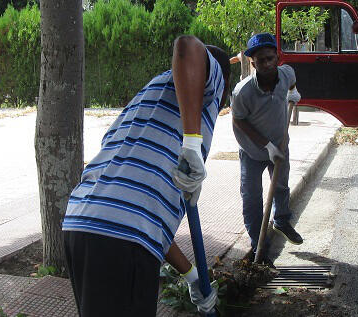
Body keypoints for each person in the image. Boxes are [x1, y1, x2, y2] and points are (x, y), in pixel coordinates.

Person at [61, 35, 232, 316]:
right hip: (120, 239)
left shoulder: (148, 98)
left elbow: (144, 217)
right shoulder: (208, 88)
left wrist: (190, 275)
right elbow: (186, 47)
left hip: (83, 227)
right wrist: (191, 143)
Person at [231, 33, 304, 264]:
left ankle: (281, 221)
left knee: (281, 186)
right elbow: (238, 120)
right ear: (253, 63)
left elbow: (292, 83)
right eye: (260, 61)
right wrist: (266, 145)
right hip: (252, 151)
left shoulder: (287, 73)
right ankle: (259, 246)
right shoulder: (242, 92)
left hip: (280, 145)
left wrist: (293, 92)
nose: (266, 64)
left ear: (277, 57)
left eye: (270, 58)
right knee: (252, 198)